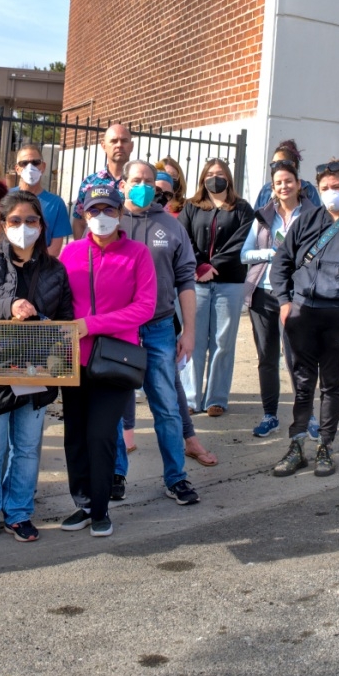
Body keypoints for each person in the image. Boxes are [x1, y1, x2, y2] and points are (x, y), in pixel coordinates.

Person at [0, 187, 69, 544]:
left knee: (25, 446)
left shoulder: (55, 269)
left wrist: (48, 324)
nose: (24, 226)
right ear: (4, 224)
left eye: (31, 220)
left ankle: (19, 513)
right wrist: (10, 306)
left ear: (41, 224)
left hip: (35, 370)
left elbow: (66, 317)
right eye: (16, 220)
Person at [269, 159, 339, 479]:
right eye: (324, 188)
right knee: (303, 384)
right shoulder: (306, 221)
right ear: (317, 191)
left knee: (332, 384)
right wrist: (284, 301)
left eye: (337, 187)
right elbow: (282, 263)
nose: (331, 193)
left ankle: (326, 447)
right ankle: (296, 448)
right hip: (302, 313)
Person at [57, 183, 156, 538]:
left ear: (120, 214)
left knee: (101, 434)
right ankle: (82, 503)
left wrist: (92, 325)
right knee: (75, 436)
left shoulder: (138, 254)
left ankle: (100, 509)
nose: (101, 218)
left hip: (117, 359)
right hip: (73, 361)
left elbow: (144, 307)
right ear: (83, 215)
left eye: (109, 210)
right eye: (94, 211)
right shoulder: (69, 254)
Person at [117, 159, 205, 505]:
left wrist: (189, 332)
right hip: (119, 331)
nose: (143, 186)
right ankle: (115, 474)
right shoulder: (108, 221)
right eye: (136, 180)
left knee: (167, 406)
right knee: (115, 407)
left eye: (149, 181)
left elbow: (186, 279)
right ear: (123, 184)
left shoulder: (170, 226)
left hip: (159, 329)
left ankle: (176, 477)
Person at [243, 163, 310, 438]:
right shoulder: (262, 217)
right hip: (262, 293)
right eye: (279, 183)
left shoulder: (313, 216)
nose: (284, 186)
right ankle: (270, 414)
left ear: (298, 183)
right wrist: (271, 253)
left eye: (289, 181)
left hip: (296, 295)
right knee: (267, 359)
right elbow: (244, 255)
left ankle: (306, 416)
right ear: (273, 188)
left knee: (298, 359)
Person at [183, 158, 254, 418]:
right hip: (197, 284)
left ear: (229, 178)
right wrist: (200, 265)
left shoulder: (242, 208)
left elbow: (242, 241)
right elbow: (184, 237)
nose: (215, 178)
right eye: (211, 174)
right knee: (195, 341)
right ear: (203, 178)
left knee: (223, 342)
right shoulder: (191, 207)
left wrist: (213, 265)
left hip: (229, 283)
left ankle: (217, 398)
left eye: (220, 173)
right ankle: (192, 398)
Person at [9, 145, 71, 257]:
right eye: (24, 163)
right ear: (17, 169)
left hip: (42, 269)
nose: (30, 167)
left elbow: (55, 248)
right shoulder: (6, 198)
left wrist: (32, 265)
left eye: (35, 162)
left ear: (43, 167)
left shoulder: (56, 204)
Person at [71, 121, 133, 233]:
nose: (119, 145)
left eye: (124, 141)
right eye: (114, 141)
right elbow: (79, 221)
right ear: (103, 146)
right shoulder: (90, 182)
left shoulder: (140, 183)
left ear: (132, 146)